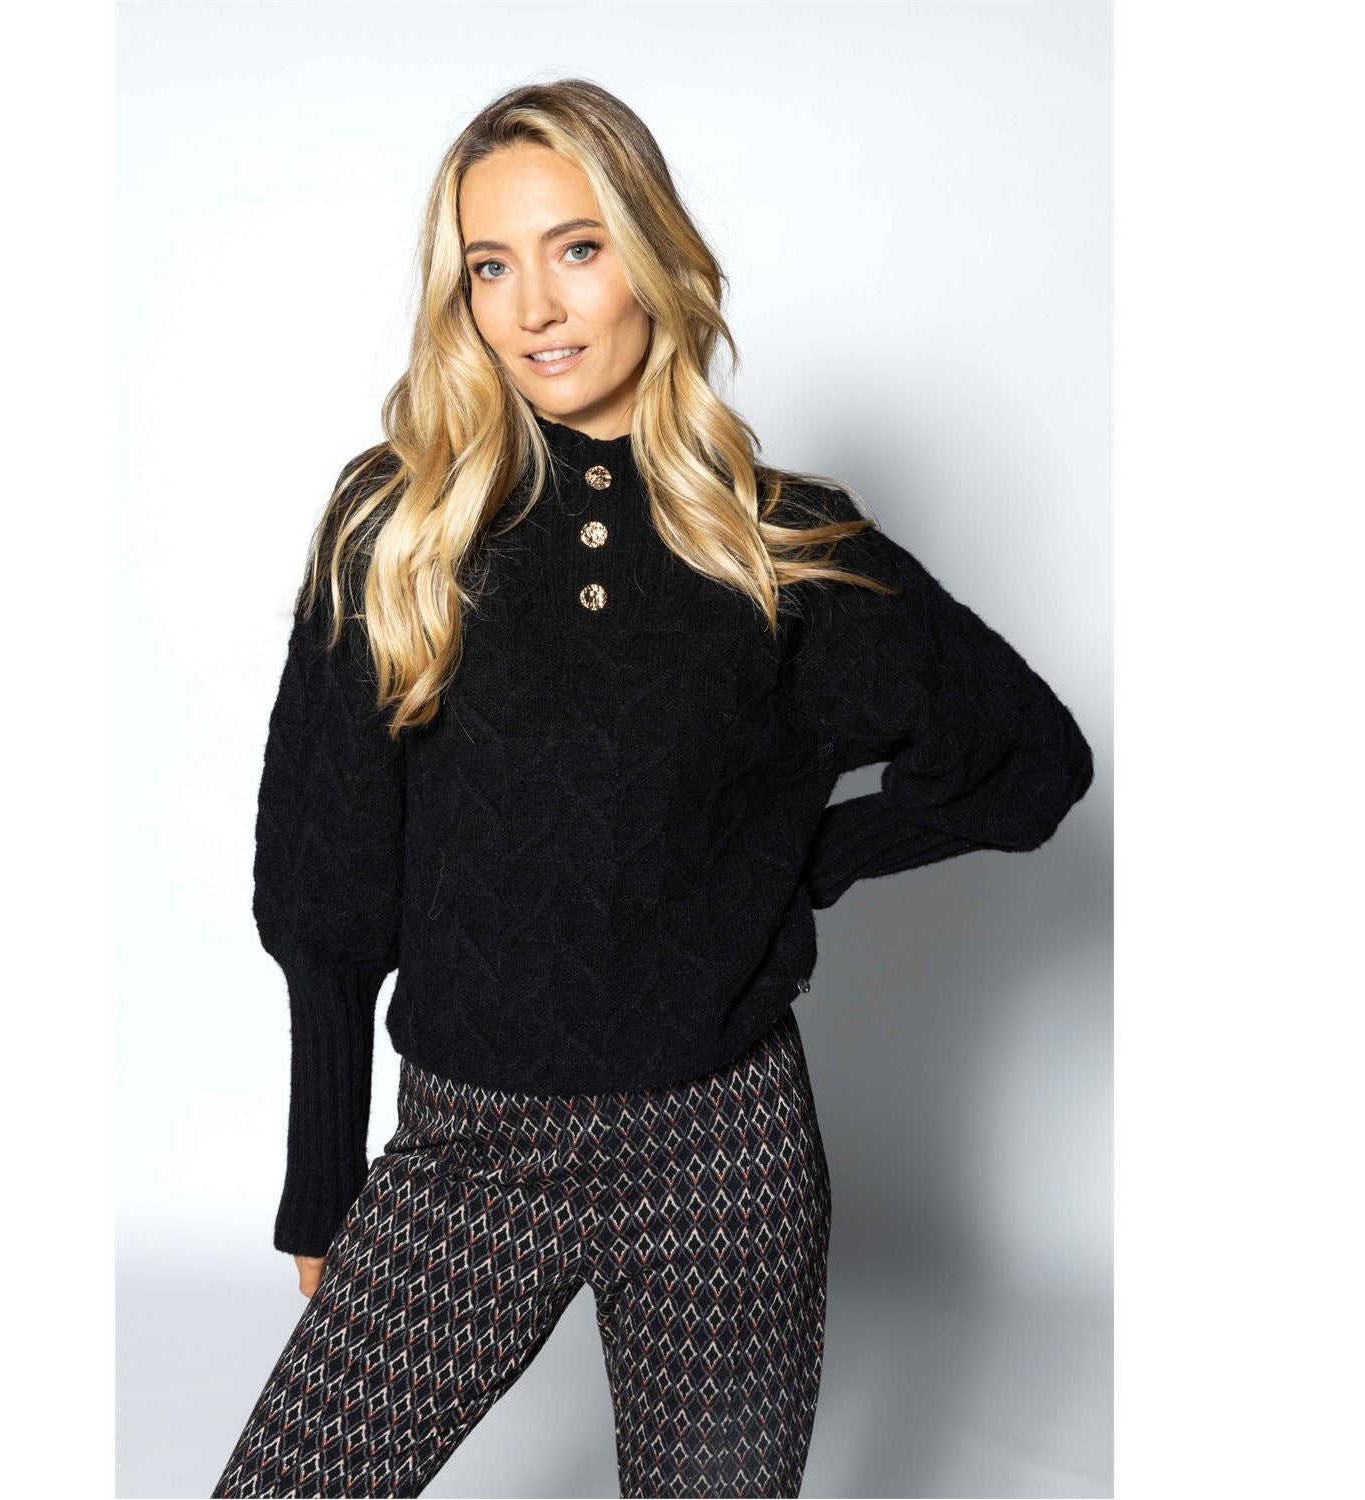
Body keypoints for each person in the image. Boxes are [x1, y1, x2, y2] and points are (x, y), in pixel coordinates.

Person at [211, 78, 1094, 1500]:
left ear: (653, 257)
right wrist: (324, 1173)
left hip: (723, 1160)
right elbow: (327, 879)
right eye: (489, 266)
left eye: (577, 248)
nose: (534, 307)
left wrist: (813, 854)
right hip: (470, 1152)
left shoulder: (780, 546)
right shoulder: (400, 525)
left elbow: (1028, 762)